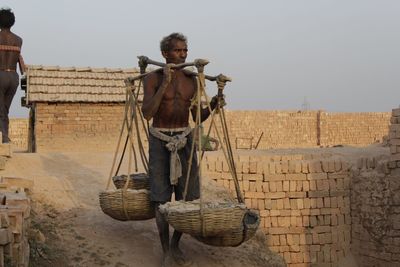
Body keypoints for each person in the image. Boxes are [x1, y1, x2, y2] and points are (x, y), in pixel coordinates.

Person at [142, 32, 222, 267]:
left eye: (185, 50)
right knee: (160, 197)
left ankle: (176, 243)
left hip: (185, 139)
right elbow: (147, 113)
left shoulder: (191, 79)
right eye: (178, 50)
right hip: (159, 139)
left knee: (188, 195)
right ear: (165, 54)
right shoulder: (152, 78)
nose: (183, 54)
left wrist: (214, 105)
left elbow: (196, 117)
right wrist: (164, 83)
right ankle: (166, 250)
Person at [0, 7, 24, 143]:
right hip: (14, 77)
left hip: (0, 75)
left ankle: (4, 137)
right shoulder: (19, 40)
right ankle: (5, 135)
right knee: (4, 109)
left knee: (1, 110)